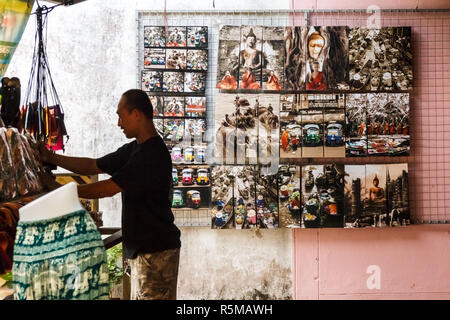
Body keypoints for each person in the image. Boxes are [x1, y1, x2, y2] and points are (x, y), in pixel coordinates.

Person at [37, 89, 181, 300]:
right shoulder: (135, 149)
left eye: (121, 115)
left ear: (137, 114)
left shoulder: (151, 155)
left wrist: (59, 189)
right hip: (145, 251)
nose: (119, 123)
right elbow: (93, 165)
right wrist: (52, 157)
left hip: (156, 252)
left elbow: (108, 188)